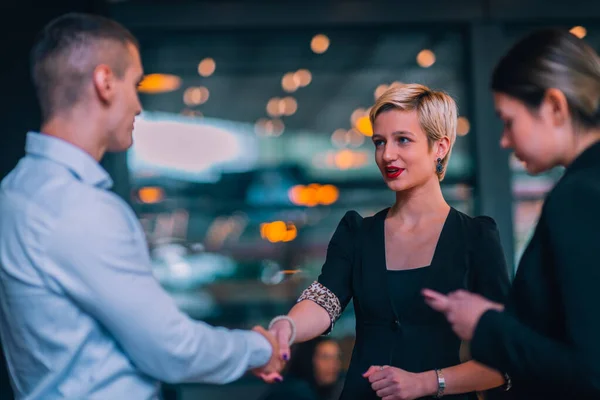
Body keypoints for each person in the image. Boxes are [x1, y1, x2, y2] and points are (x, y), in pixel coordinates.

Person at [0, 13, 284, 400]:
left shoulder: (15, 192)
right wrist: (260, 349)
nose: (138, 105)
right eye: (135, 84)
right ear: (104, 82)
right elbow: (173, 350)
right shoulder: (78, 206)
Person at [266, 83, 512, 399]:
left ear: (440, 147)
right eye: (379, 142)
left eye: (402, 140)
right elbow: (325, 300)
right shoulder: (357, 232)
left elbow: (504, 360)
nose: (387, 155)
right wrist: (288, 326)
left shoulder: (476, 237)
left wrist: (426, 382)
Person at [423, 28, 600, 399]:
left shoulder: (579, 196)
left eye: (509, 121)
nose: (503, 140)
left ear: (554, 106)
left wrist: (485, 324)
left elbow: (589, 369)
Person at [262, 337, 344, 400]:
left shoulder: (333, 390)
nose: (333, 364)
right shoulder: (293, 393)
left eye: (337, 357)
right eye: (325, 357)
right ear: (309, 360)